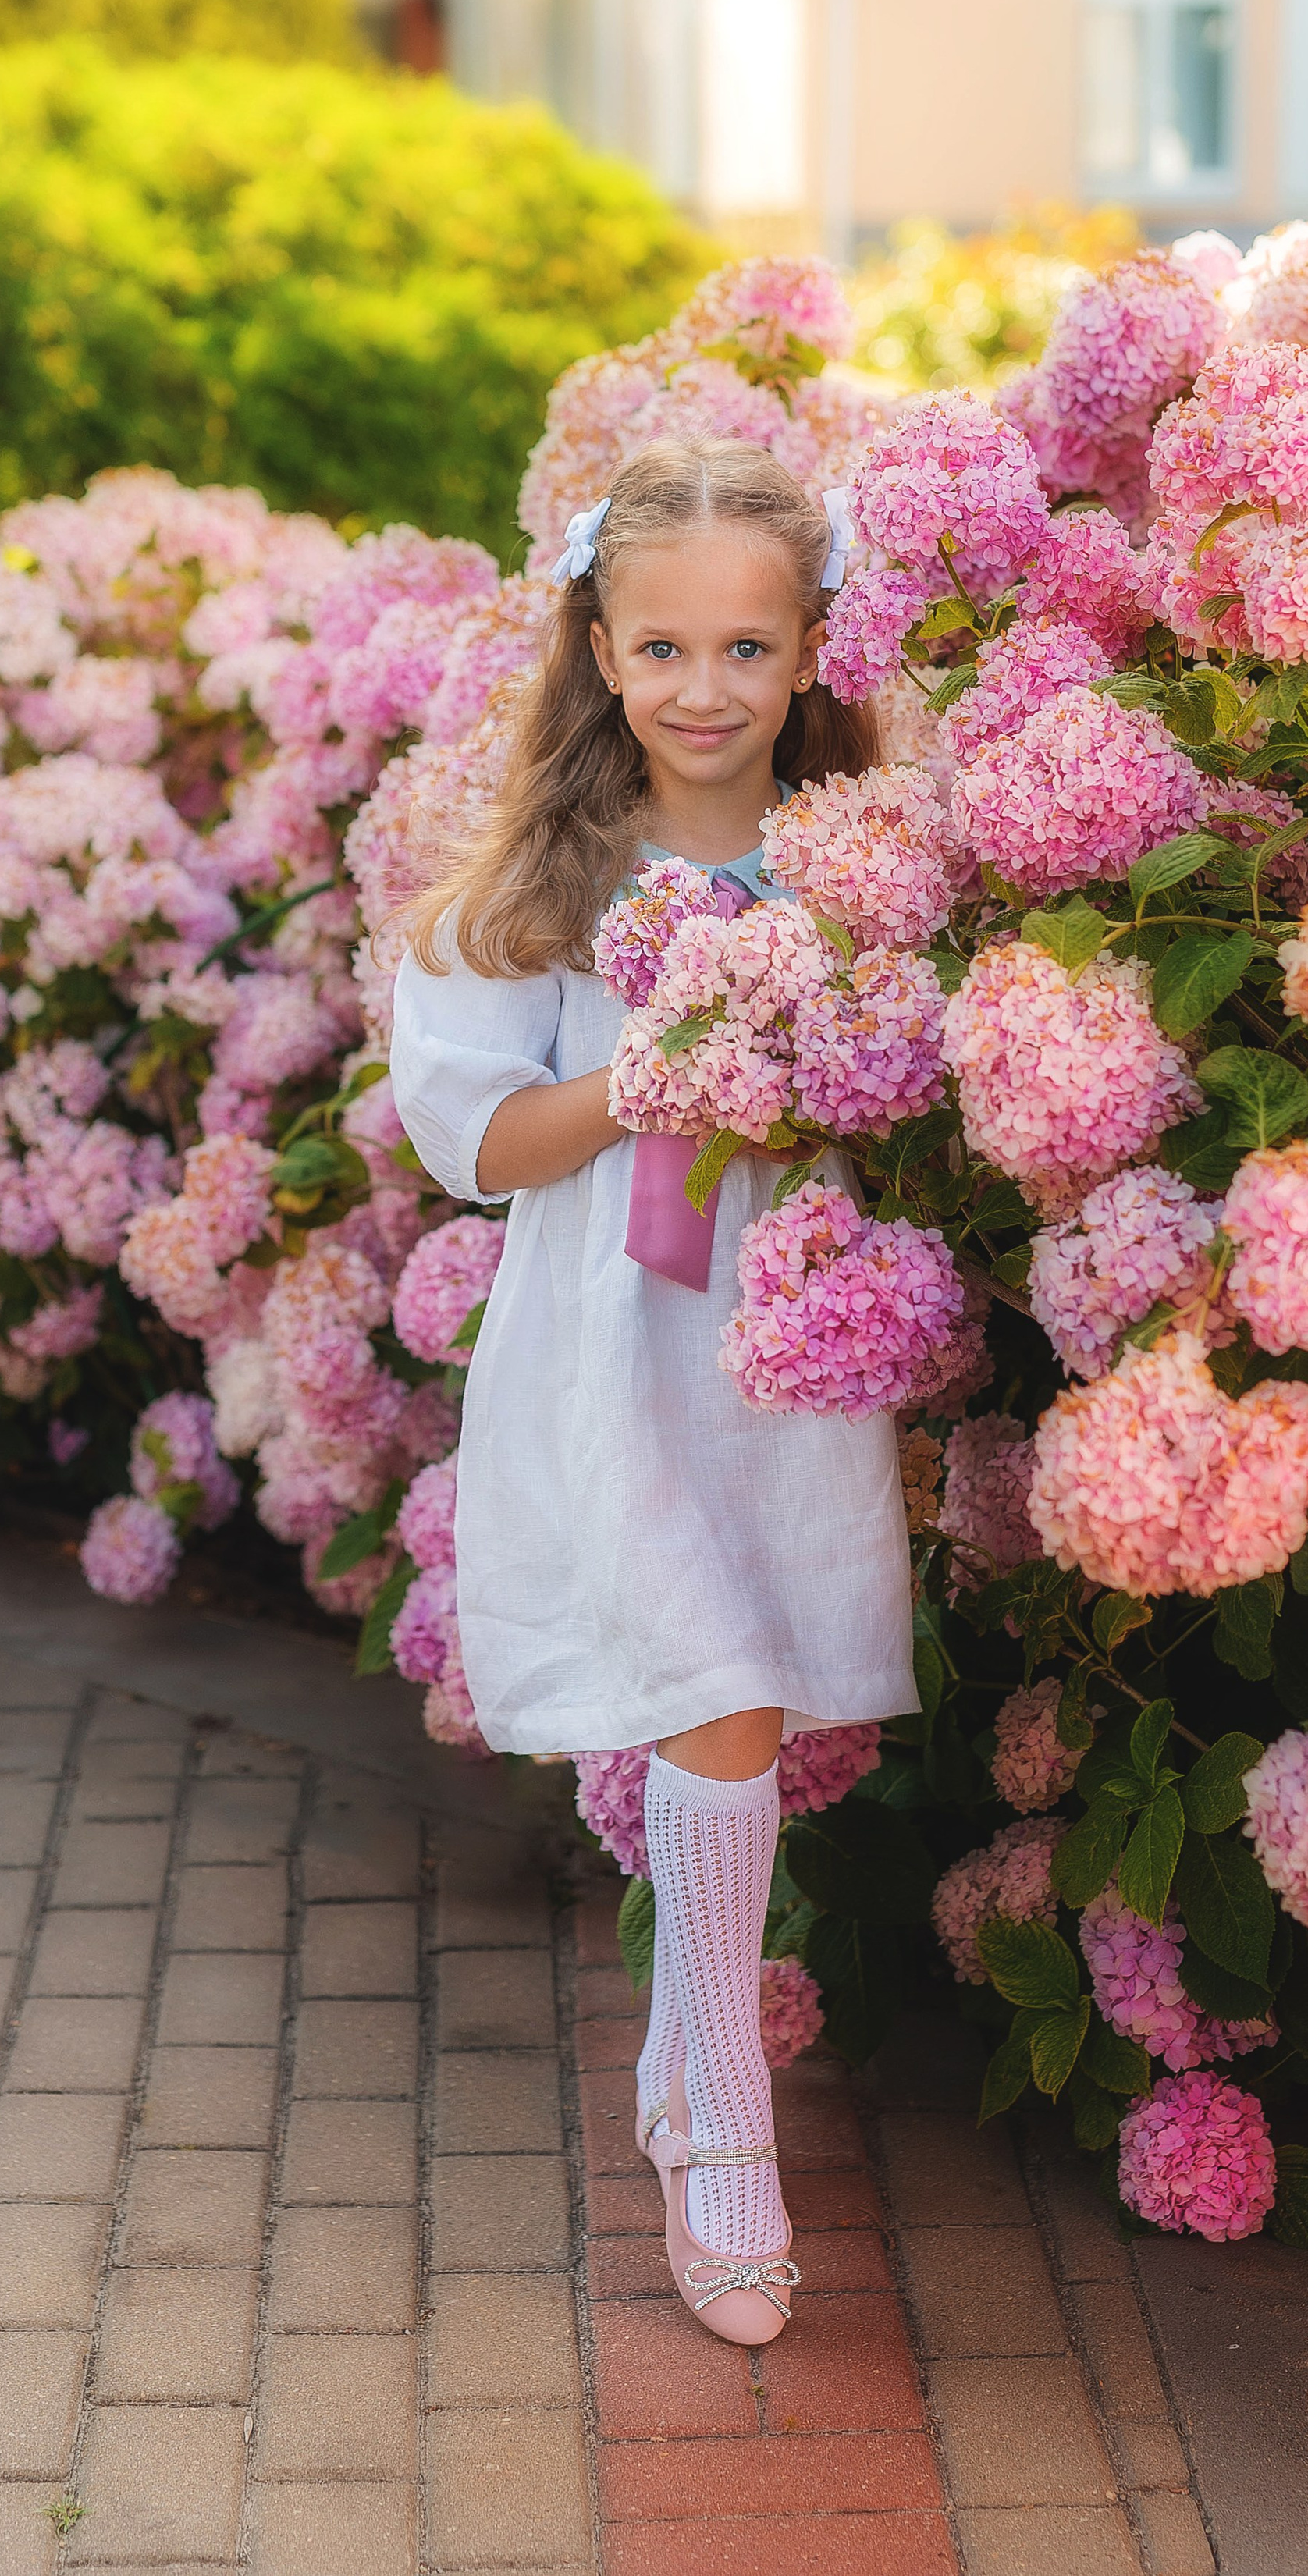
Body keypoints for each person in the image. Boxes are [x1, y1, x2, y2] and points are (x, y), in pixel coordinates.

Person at [390, 436, 917, 2343]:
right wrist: (655, 1067)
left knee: (744, 1693)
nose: (706, 691)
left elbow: (909, 1086)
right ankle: (722, 2128)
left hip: (786, 1334)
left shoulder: (862, 856)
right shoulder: (540, 884)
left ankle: (693, 2073)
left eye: (747, 650)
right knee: (711, 1693)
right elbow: (479, 1140)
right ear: (599, 650)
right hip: (615, 1341)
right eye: (665, 646)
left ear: (809, 653)